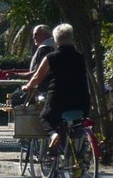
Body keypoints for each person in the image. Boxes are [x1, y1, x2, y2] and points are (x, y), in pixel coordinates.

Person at [21, 23, 90, 151]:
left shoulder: (51, 57)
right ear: (71, 38)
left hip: (58, 100)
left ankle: (54, 135)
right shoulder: (80, 57)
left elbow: (37, 77)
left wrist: (28, 86)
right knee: (77, 124)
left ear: (56, 40)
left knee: (44, 117)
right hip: (81, 100)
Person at [9, 24, 55, 106]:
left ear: (45, 34)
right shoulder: (53, 45)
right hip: (50, 87)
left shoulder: (45, 47)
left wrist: (17, 75)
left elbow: (38, 72)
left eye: (36, 34)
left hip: (45, 89)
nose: (34, 37)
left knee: (16, 97)